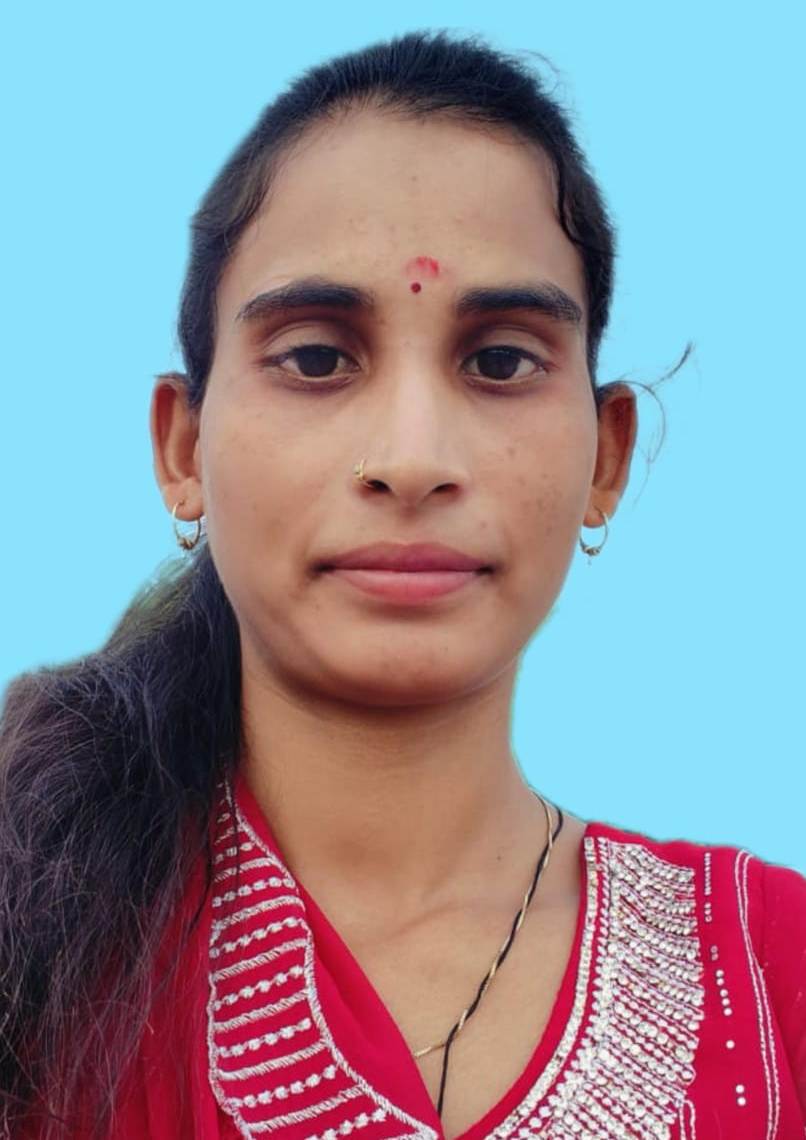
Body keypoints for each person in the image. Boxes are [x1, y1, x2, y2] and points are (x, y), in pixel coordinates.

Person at [1, 28, 803, 1140]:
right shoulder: (30, 947)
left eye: (501, 360)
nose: (414, 457)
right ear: (182, 448)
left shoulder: (775, 971)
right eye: (316, 357)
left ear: (606, 458)